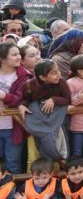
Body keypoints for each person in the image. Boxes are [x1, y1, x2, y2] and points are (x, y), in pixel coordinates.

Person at [0, 43, 33, 174]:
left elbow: (19, 99)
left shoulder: (24, 76)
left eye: (19, 53)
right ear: (2, 59)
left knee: (12, 164)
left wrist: (3, 96)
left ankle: (13, 192)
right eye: (14, 54)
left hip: (13, 126)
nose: (18, 57)